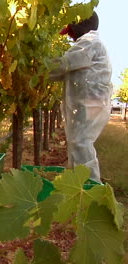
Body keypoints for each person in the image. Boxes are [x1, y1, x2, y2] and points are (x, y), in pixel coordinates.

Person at [50, 12, 112, 183]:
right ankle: (78, 186)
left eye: (70, 31)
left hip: (91, 105)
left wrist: (34, 69)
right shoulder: (88, 45)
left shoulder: (89, 43)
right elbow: (62, 71)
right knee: (77, 144)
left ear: (80, 27)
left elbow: (64, 64)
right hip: (88, 104)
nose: (70, 36)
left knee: (81, 144)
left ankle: (92, 189)